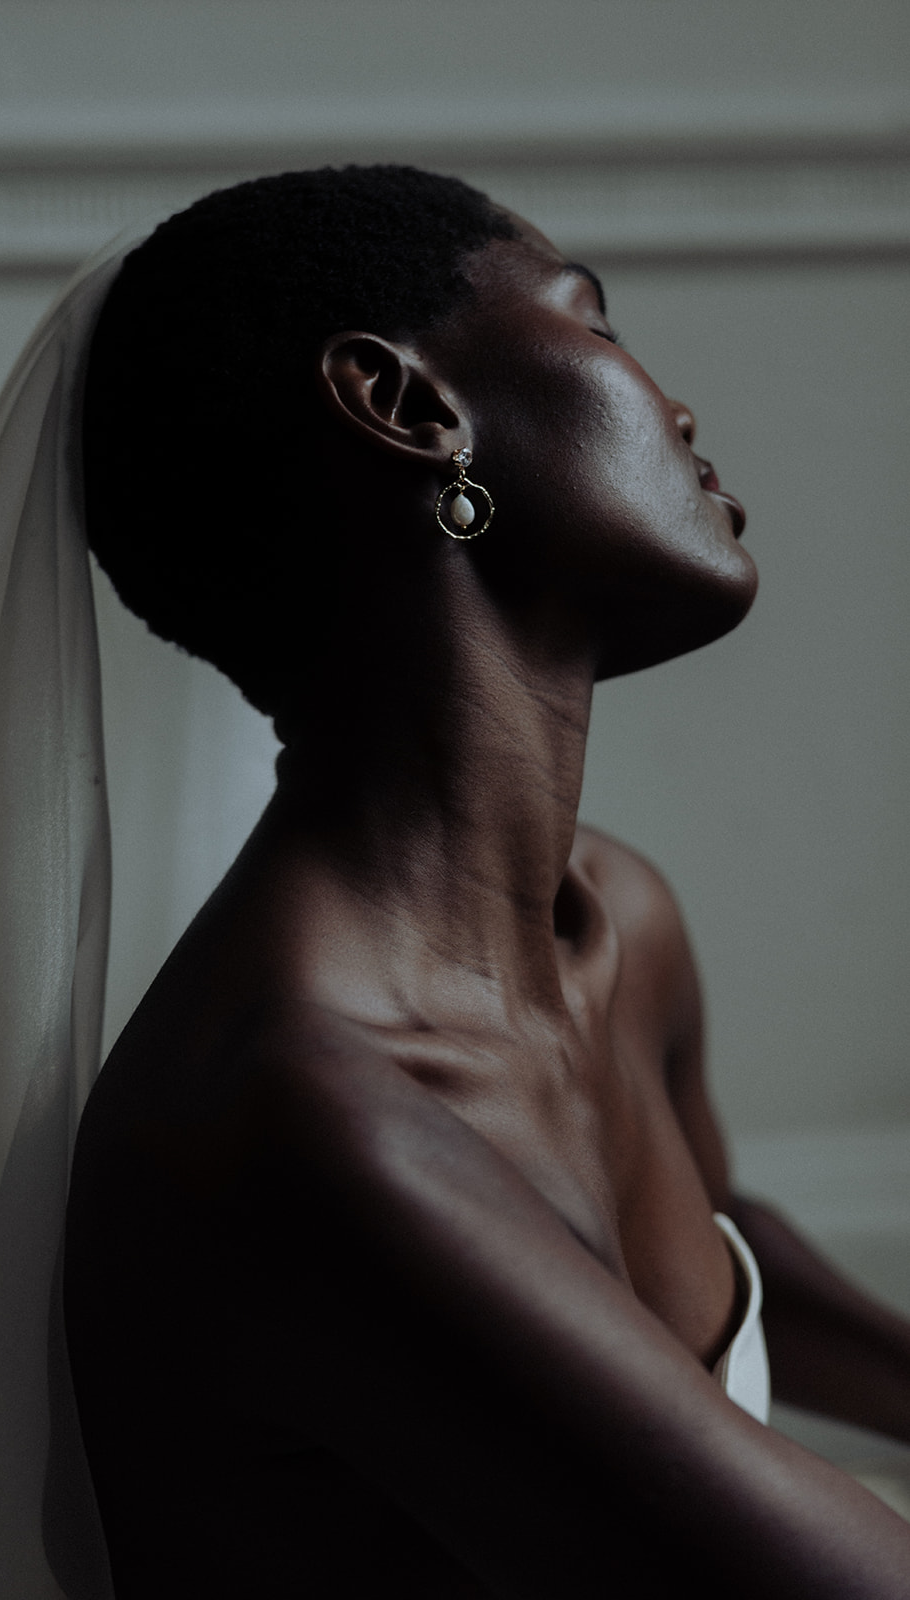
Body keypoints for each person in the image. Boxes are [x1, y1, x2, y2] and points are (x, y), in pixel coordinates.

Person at [64, 166, 910, 1595]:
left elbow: (707, 1241)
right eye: (596, 323)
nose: (678, 407)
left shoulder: (617, 927)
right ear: (406, 407)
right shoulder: (320, 1125)